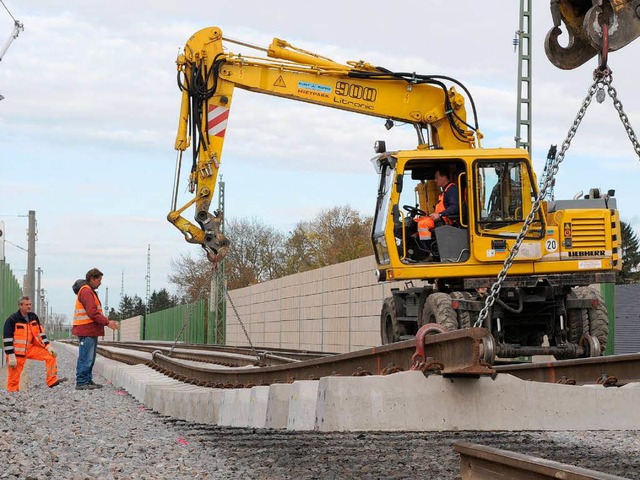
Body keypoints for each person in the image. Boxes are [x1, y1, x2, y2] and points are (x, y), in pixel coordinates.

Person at [2, 296, 67, 391]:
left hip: (30, 349)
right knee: (13, 379)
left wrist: (48, 346)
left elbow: (41, 333)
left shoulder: (33, 317)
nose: (29, 306)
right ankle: (13, 394)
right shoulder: (12, 319)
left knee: (50, 356)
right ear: (20, 305)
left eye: (30, 304)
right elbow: (7, 339)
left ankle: (52, 381)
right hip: (17, 354)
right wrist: (11, 355)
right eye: (26, 304)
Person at [72, 268, 118, 390]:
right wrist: (107, 322)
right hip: (86, 329)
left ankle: (87, 380)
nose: (100, 283)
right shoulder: (86, 292)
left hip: (89, 330)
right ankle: (82, 381)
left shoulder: (88, 291)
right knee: (86, 357)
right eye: (99, 280)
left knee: (89, 357)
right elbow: (92, 313)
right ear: (92, 279)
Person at [415, 169, 459, 242]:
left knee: (422, 224)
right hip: (440, 218)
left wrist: (440, 214)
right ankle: (418, 240)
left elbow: (454, 207)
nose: (435, 180)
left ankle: (426, 246)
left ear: (444, 177)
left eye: (437, 178)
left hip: (445, 221)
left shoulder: (452, 189)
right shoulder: (444, 191)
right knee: (417, 220)